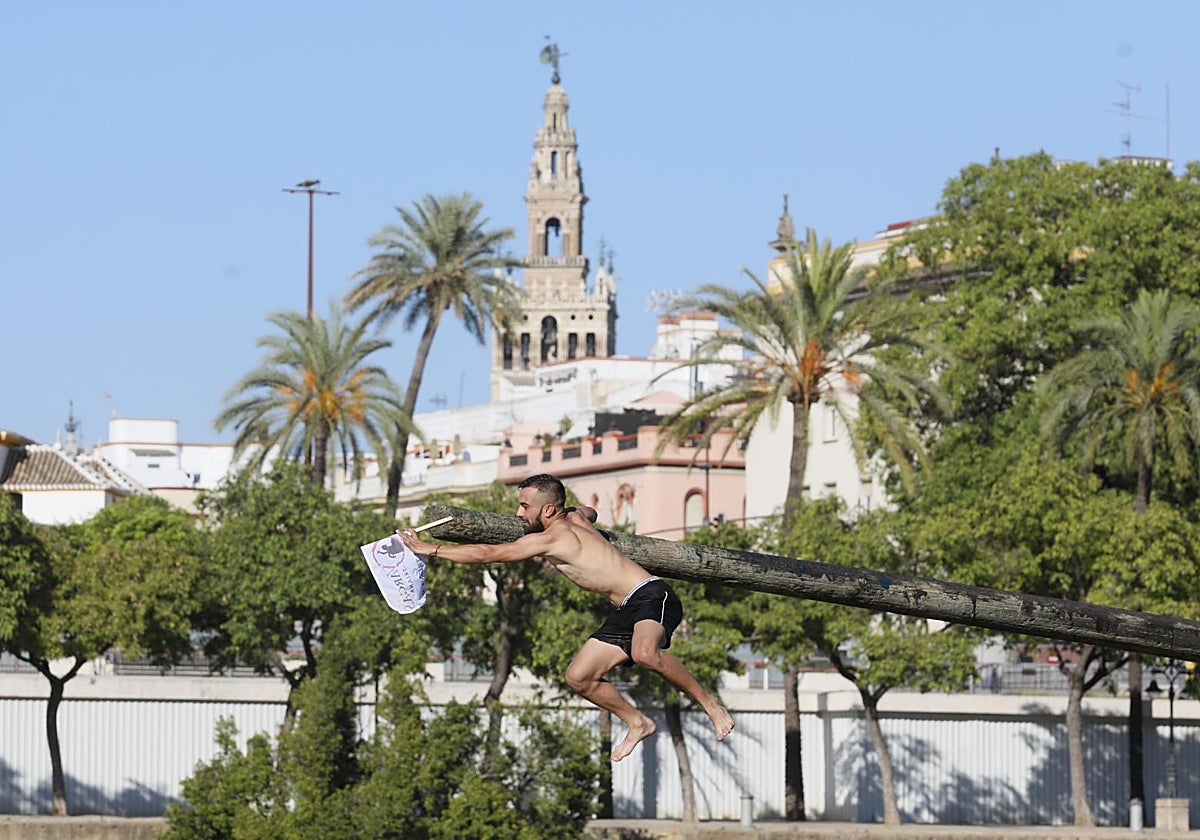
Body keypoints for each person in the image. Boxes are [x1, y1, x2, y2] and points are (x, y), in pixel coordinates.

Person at [398, 473, 735, 762]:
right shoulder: (575, 517)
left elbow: (489, 553)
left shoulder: (550, 538)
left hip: (651, 595)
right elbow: (590, 510)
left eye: (524, 507)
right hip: (625, 609)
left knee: (645, 653)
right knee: (578, 677)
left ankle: (711, 706)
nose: (518, 513)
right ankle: (638, 722)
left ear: (547, 509)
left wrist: (431, 549)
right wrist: (579, 511)